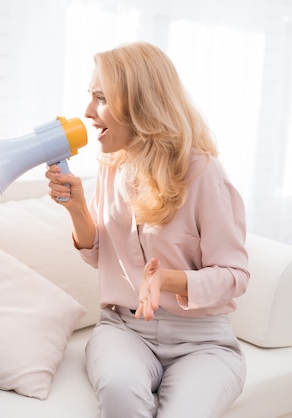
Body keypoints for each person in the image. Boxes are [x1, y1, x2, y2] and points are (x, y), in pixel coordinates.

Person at [46, 42, 249, 417]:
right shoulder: (110, 165)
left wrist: (169, 281)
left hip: (202, 342)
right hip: (124, 331)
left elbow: (235, 276)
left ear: (139, 104)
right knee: (121, 395)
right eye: (90, 98)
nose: (88, 112)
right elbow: (97, 255)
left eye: (101, 99)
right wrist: (76, 208)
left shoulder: (204, 174)